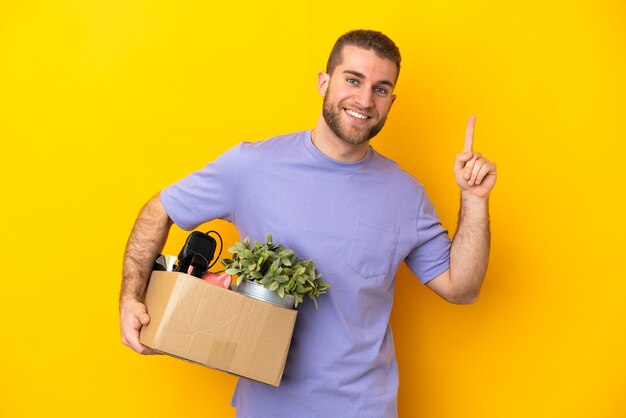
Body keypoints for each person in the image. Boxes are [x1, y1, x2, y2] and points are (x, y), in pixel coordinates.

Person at [120, 29, 497, 417]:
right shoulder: (251, 167)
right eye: (353, 80)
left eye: (380, 89)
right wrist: (131, 298)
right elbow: (159, 209)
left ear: (391, 101)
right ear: (323, 81)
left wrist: (474, 200)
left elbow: (461, 288)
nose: (365, 100)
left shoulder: (406, 194)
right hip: (266, 407)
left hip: (362, 408)